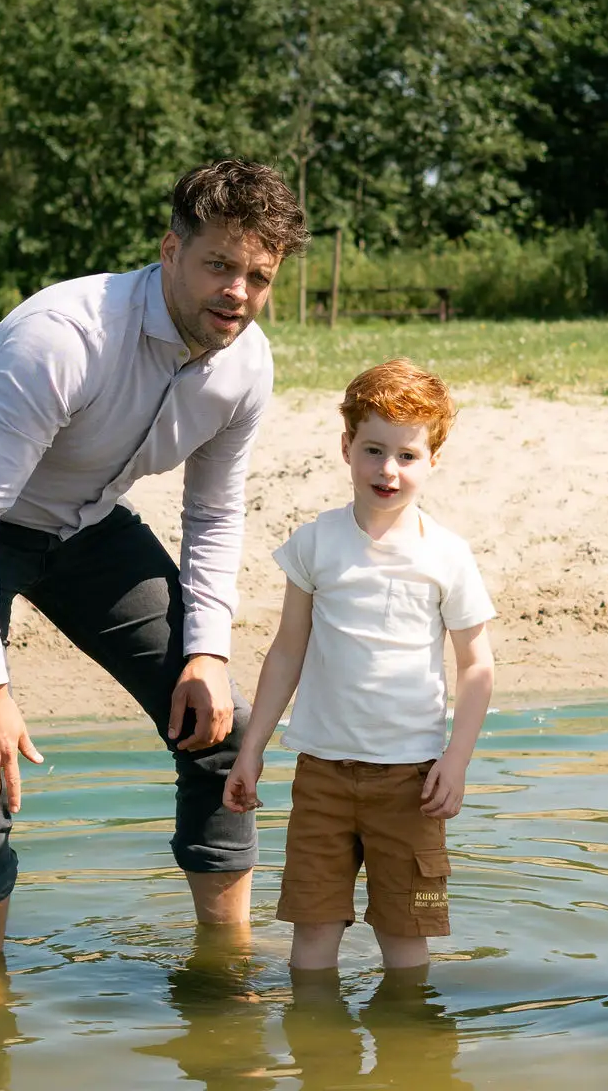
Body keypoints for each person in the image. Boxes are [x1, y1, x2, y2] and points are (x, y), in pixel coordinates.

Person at [0, 159, 308, 962]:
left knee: (220, 729)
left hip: (81, 520)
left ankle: (225, 970)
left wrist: (208, 653)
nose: (237, 293)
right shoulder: (66, 336)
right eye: (219, 264)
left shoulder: (246, 365)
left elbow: (213, 513)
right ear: (170, 250)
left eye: (259, 276)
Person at [224, 358, 495, 975]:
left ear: (433, 460)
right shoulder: (315, 543)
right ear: (346, 447)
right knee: (312, 940)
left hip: (413, 782)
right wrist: (251, 749)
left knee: (408, 938)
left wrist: (456, 761)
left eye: (407, 455)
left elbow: (477, 665)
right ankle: (315, 1035)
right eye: (373, 450)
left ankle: (409, 1033)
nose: (387, 470)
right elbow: (287, 650)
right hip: (321, 775)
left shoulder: (447, 555)